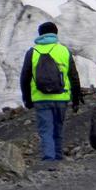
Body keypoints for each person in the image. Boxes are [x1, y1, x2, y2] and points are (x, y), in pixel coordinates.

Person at [20, 21, 83, 163]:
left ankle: (49, 158)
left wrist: (27, 98)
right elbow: (73, 75)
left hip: (41, 98)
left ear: (40, 34)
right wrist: (76, 98)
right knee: (58, 128)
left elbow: (25, 77)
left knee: (46, 129)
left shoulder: (32, 52)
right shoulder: (63, 51)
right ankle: (58, 157)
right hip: (62, 97)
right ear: (55, 33)